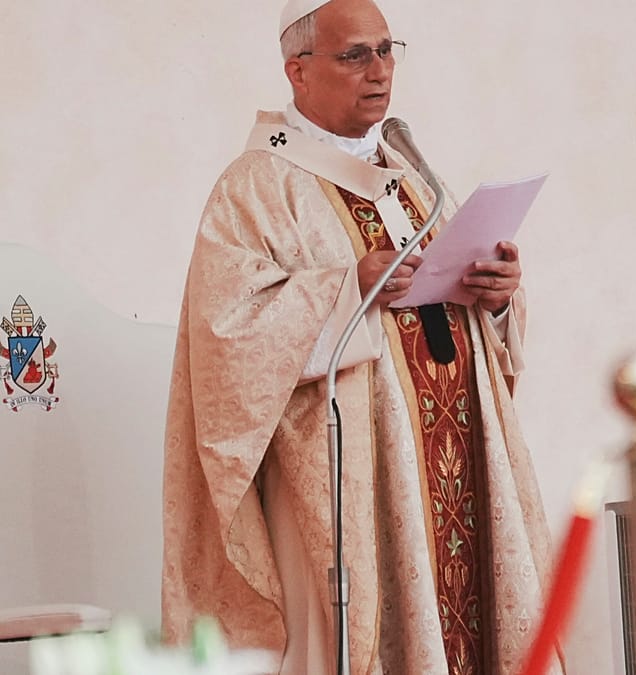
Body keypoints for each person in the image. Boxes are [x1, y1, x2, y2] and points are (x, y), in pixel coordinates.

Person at [159, 1, 560, 673]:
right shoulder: (257, 186)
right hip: (356, 492)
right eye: (354, 55)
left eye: (385, 50)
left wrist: (496, 297)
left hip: (455, 466)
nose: (379, 71)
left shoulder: (408, 176)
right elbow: (226, 338)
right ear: (298, 71)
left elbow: (454, 313)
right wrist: (348, 287)